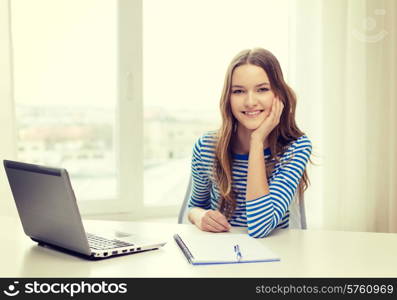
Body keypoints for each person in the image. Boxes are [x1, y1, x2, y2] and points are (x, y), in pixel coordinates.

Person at [187, 48, 312, 238]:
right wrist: (199, 216)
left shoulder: (296, 148)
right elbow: (194, 206)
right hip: (218, 257)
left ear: (278, 95)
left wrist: (257, 141)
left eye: (262, 89)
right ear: (228, 99)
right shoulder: (206, 147)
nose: (250, 101)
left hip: (273, 258)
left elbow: (260, 227)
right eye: (238, 91)